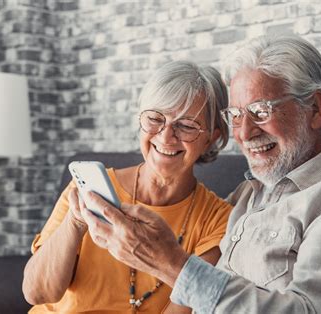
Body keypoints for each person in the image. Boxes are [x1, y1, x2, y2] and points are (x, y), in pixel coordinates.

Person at [79, 36, 321, 313]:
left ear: (315, 109)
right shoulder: (248, 195)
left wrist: (171, 263)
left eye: (260, 112)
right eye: (235, 115)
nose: (245, 133)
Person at [22, 60, 233, 313]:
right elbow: (36, 292)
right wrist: (75, 222)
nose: (165, 137)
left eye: (186, 126)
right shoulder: (88, 189)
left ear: (213, 137)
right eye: (155, 119)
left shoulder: (218, 220)